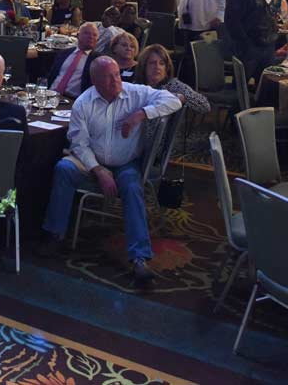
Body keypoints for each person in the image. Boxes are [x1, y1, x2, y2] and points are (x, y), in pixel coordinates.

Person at [38, 56, 181, 285]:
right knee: (63, 168)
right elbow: (79, 144)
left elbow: (174, 101)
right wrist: (98, 170)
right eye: (109, 77)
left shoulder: (135, 92)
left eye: (117, 75)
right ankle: (55, 234)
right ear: (95, 82)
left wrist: (141, 114)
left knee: (133, 187)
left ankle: (139, 258)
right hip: (92, 160)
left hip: (126, 162)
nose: (116, 81)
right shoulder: (84, 103)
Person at [224, 0, 276, 83]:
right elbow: (232, 22)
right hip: (249, 47)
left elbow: (268, 9)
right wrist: (246, 44)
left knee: (265, 86)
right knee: (241, 86)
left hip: (266, 44)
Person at [135, 45, 210, 119]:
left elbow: (205, 105)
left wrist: (181, 97)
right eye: (152, 63)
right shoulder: (136, 86)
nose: (157, 67)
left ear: (166, 67)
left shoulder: (173, 85)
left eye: (162, 63)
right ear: (144, 66)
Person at [48, 22, 99, 99]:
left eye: (94, 35)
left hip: (71, 99)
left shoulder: (98, 60)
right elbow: (51, 75)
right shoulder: (64, 53)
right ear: (78, 35)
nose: (91, 37)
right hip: (50, 93)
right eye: (87, 33)